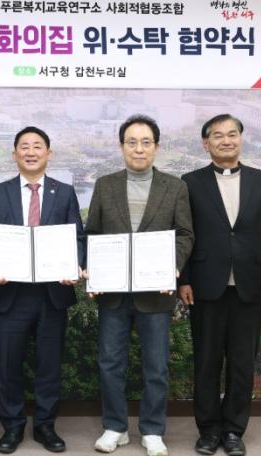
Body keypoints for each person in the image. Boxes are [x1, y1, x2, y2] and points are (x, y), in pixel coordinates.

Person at [85, 115, 194, 456]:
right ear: (122, 147)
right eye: (131, 142)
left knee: (156, 367)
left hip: (156, 293)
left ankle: (152, 429)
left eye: (146, 142)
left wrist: (172, 267)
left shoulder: (174, 187)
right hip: (113, 293)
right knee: (110, 363)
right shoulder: (105, 185)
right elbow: (93, 234)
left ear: (156, 147)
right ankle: (115, 426)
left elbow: (185, 234)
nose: (139, 148)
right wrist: (95, 272)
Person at [178, 114, 261, 456]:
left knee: (242, 363)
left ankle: (234, 430)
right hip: (205, 286)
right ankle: (209, 431)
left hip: (250, 287)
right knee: (206, 361)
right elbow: (185, 236)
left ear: (240, 138)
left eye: (232, 134)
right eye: (218, 135)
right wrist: (184, 279)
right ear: (205, 143)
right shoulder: (190, 182)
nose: (226, 140)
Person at [0, 126, 85, 454]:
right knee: (9, 365)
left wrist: (74, 265)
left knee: (49, 365)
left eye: (37, 146)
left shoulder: (64, 192)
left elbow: (77, 236)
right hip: (10, 292)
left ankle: (45, 426)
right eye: (24, 146)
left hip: (52, 293)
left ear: (48, 154)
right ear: (15, 154)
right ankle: (12, 427)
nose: (30, 152)